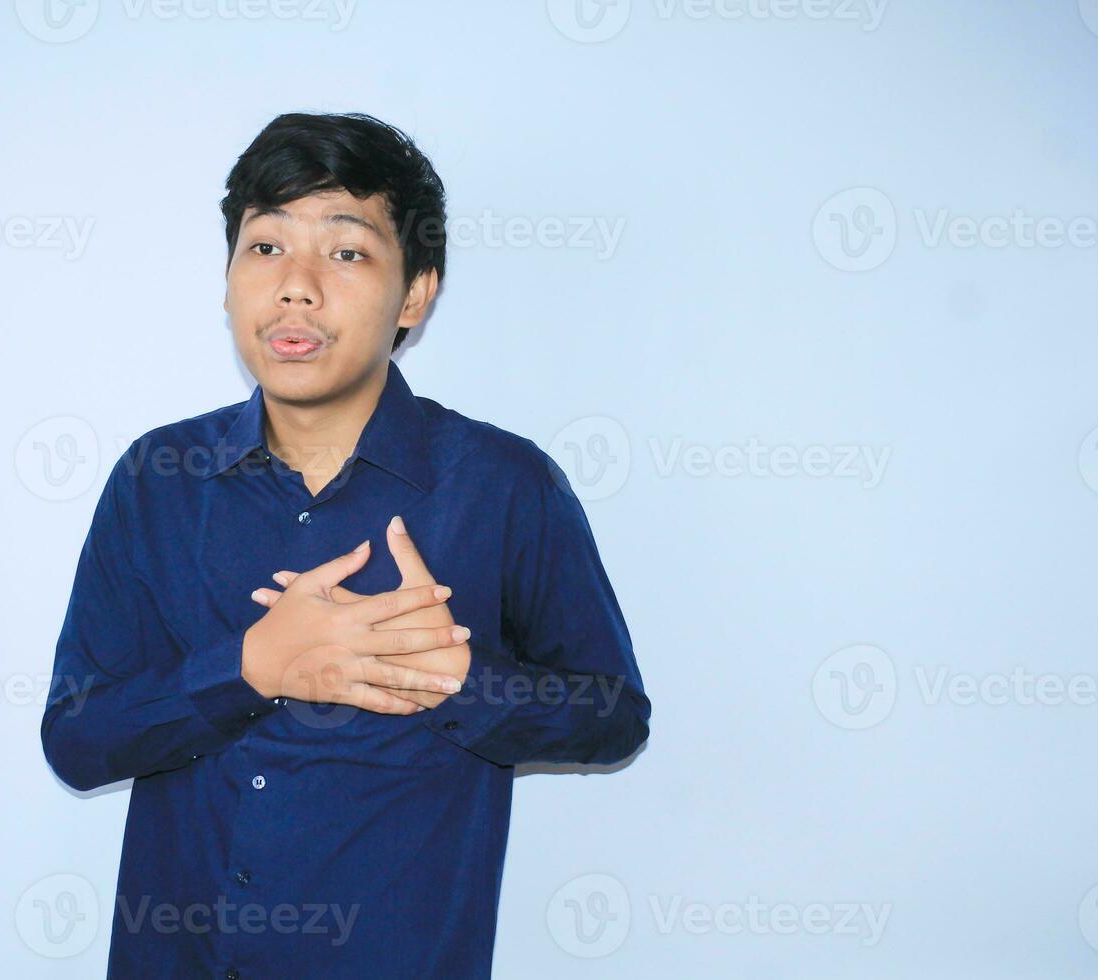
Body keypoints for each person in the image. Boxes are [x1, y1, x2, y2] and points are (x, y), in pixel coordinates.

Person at [41, 110, 651, 979]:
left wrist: (460, 684)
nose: (297, 287)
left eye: (347, 251)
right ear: (226, 282)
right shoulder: (157, 479)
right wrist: (250, 669)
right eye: (265, 248)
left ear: (415, 294)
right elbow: (76, 737)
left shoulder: (506, 485)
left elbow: (617, 716)